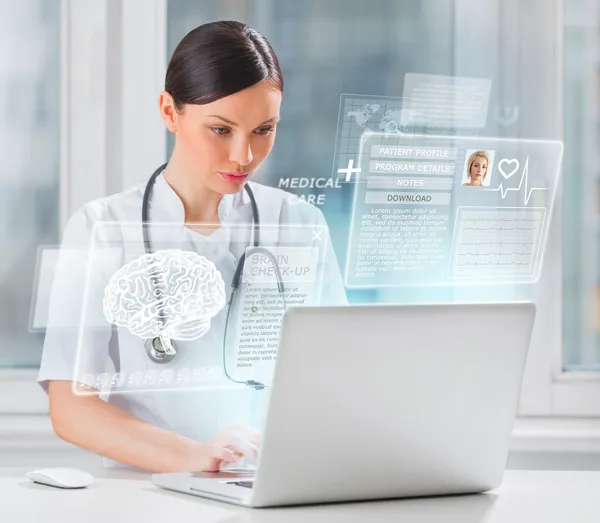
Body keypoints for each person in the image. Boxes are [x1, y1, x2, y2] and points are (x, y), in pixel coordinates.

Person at [38, 21, 346, 473]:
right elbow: (71, 408)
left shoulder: (299, 223)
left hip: (269, 481)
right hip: (147, 489)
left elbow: (339, 375)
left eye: (264, 129)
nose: (244, 156)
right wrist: (195, 457)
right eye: (221, 130)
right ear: (169, 112)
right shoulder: (102, 227)